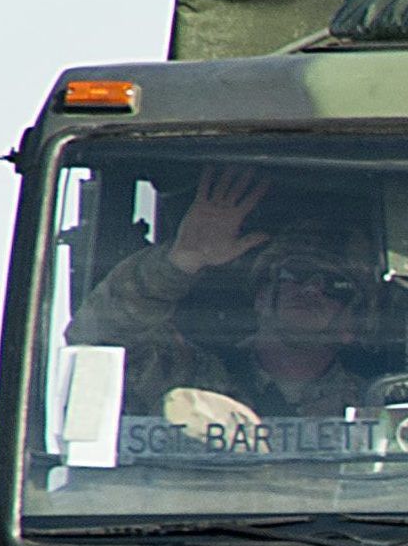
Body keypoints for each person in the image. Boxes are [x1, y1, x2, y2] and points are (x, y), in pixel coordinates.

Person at [72, 165, 375, 427]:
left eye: (337, 286)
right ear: (260, 295)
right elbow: (96, 344)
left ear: (354, 324)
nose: (311, 289)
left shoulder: (375, 407)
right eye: (294, 273)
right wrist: (180, 261)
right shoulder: (182, 378)